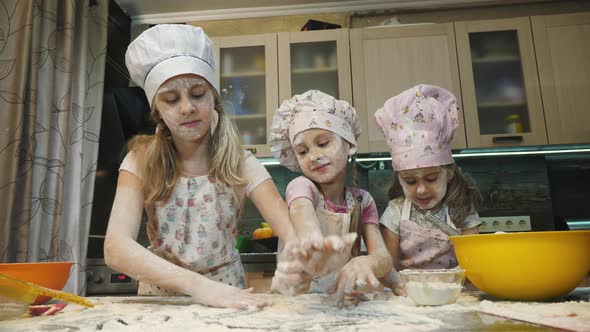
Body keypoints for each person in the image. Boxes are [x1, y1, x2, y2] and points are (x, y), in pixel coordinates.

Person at [104, 24, 303, 309]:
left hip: (226, 301)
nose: (187, 108)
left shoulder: (241, 163)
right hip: (160, 303)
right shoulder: (140, 159)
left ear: (215, 100)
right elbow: (115, 248)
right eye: (171, 99)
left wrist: (306, 254)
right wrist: (198, 287)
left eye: (198, 94)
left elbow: (291, 234)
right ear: (156, 110)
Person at [269, 90, 392, 306]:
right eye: (303, 151)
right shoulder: (302, 188)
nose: (314, 156)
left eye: (323, 143)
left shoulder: (363, 201)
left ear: (349, 144)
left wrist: (369, 262)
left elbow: (384, 259)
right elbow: (302, 215)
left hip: (339, 305)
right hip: (297, 307)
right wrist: (314, 243)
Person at [373, 84, 482, 291]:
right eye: (411, 181)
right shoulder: (395, 212)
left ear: (448, 172)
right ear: (400, 179)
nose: (421, 190)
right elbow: (389, 269)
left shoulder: (464, 210)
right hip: (408, 296)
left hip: (455, 294)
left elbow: (472, 267)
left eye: (431, 178)